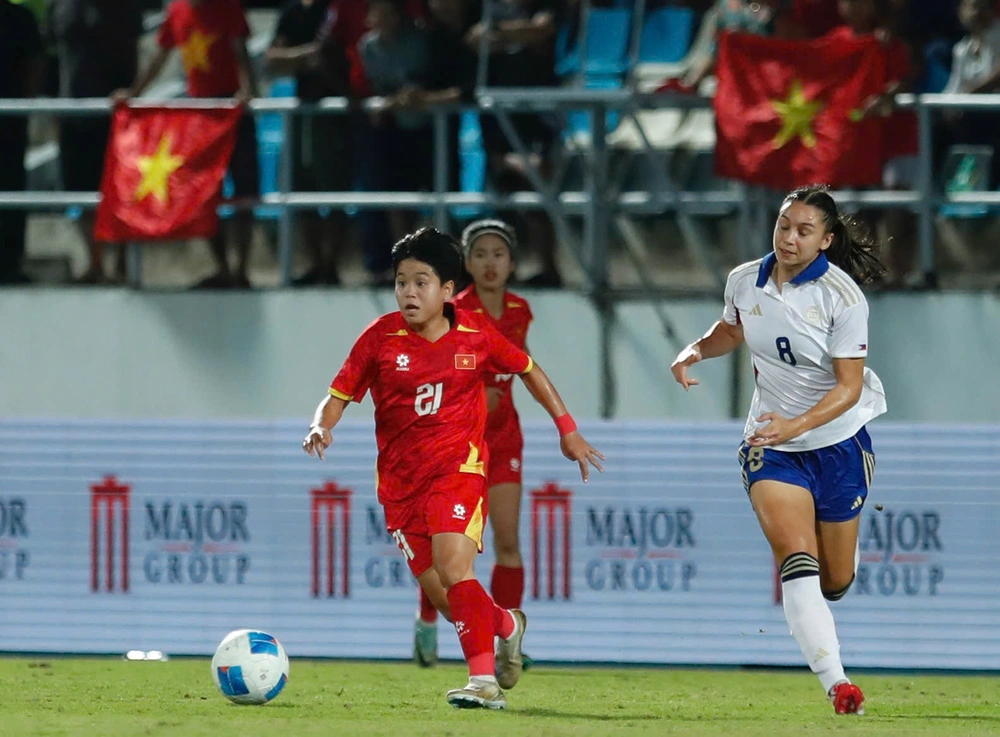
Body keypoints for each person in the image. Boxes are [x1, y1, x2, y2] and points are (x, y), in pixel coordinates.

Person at [303, 227, 603, 709]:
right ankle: (507, 624)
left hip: (458, 470)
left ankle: (482, 683)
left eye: (421, 282)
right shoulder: (379, 338)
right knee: (448, 600)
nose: (409, 292)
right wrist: (322, 425)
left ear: (447, 290)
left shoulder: (476, 336)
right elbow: (337, 394)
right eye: (402, 281)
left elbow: (527, 367)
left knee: (454, 565)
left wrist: (567, 428)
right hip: (401, 487)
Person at [670, 185, 887, 716]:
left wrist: (798, 425)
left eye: (804, 230)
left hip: (835, 442)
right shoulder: (746, 280)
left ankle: (840, 558)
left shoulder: (843, 298)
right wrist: (695, 350)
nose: (789, 237)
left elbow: (848, 389)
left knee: (836, 581)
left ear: (826, 240)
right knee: (797, 559)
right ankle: (838, 684)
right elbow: (732, 328)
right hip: (770, 444)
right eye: (784, 225)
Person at [412, 220, 532, 668]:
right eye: (479, 253)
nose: (489, 262)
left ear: (512, 263)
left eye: (498, 254)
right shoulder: (452, 310)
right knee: (446, 552)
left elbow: (521, 366)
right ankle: (427, 620)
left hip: (503, 439)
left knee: (508, 541)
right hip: (457, 444)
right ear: (465, 262)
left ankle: (508, 643)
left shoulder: (520, 309)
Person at [116, 0, 261, 289]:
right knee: (202, 192)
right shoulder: (177, 10)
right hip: (199, 114)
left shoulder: (227, 7)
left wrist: (248, 91)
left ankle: (241, 268)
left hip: (231, 107)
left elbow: (240, 53)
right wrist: (133, 94)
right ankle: (222, 266)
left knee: (245, 188)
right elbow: (159, 57)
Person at [49, 0, 143, 284]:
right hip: (72, 111)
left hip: (113, 113)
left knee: (120, 189)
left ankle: (123, 264)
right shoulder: (60, 6)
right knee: (79, 188)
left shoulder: (122, 7)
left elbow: (133, 52)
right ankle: (95, 261)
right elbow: (54, 54)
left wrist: (130, 94)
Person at [267, 0, 354, 287]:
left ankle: (332, 265)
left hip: (339, 111)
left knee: (336, 187)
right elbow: (273, 60)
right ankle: (317, 264)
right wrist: (306, 56)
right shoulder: (294, 13)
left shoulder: (342, 10)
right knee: (301, 186)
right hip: (305, 110)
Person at [0, 0, 44, 286]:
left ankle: (10, 262)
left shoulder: (20, 18)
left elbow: (35, 64)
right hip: (13, 120)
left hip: (10, 123)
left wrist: (25, 105)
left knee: (12, 186)